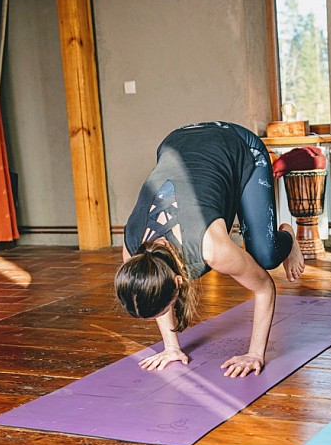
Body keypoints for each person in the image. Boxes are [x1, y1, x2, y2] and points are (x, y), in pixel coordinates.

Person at [115, 121, 305, 378]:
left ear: (178, 281)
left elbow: (264, 287)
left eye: (163, 308)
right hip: (177, 141)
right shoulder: (133, 254)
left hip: (237, 144)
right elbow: (155, 282)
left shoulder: (213, 249)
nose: (164, 313)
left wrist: (254, 354)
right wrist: (171, 348)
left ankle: (287, 237)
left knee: (265, 255)